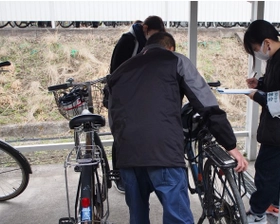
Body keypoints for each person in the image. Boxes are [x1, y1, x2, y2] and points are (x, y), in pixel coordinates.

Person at [107, 32, 249, 224]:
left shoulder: (121, 70)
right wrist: (230, 145)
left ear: (145, 48)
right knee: (178, 218)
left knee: (137, 217)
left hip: (128, 154)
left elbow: (113, 114)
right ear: (170, 47)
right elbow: (206, 105)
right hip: (163, 152)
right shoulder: (176, 60)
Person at [106, 15, 166, 193]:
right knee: (121, 134)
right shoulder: (128, 41)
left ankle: (140, 171)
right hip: (122, 96)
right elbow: (115, 71)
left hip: (140, 95)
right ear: (145, 28)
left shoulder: (148, 43)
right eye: (153, 34)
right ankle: (119, 175)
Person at [243, 20, 280, 224]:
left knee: (266, 171)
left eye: (256, 49)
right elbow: (276, 85)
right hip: (275, 127)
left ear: (267, 42)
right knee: (274, 171)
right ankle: (273, 204)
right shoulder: (278, 57)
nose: (258, 53)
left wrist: (257, 96)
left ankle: (257, 213)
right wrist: (260, 83)